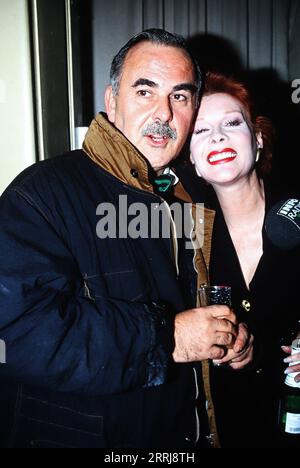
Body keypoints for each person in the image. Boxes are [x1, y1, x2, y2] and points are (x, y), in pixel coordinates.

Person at [0, 30, 251, 449]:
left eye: (181, 96)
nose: (164, 114)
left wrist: (227, 339)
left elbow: (191, 317)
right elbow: (12, 332)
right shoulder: (44, 192)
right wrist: (167, 337)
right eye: (145, 91)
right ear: (112, 102)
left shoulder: (190, 198)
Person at [189, 71, 300, 448]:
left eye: (231, 123)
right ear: (192, 158)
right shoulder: (180, 239)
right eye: (200, 131)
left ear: (257, 139)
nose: (217, 136)